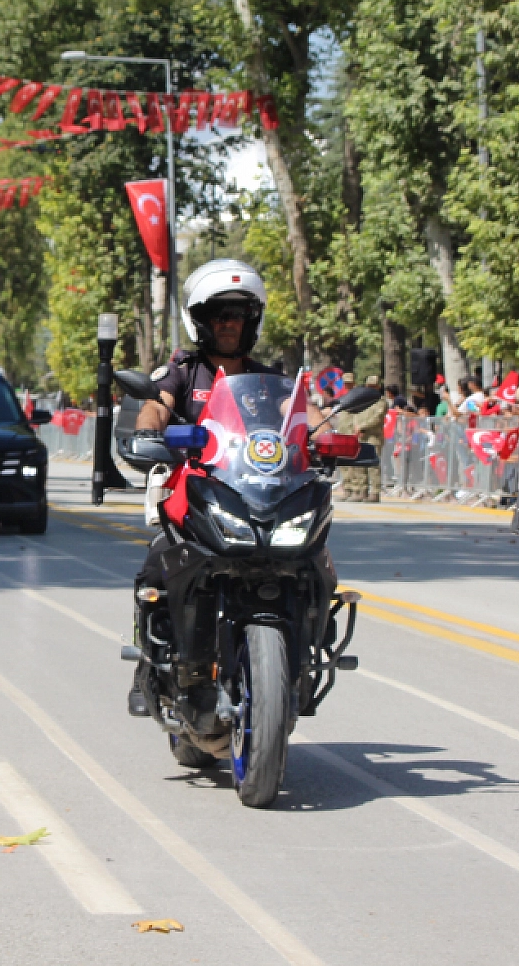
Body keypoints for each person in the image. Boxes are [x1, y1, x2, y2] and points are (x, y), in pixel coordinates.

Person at [126, 259, 318, 717]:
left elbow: (297, 426)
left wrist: (326, 441)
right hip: (198, 492)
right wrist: (153, 430)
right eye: (219, 315)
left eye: (237, 315)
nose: (229, 323)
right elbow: (156, 407)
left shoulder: (271, 381)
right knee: (157, 565)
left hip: (260, 493)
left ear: (251, 321)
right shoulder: (182, 371)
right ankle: (148, 666)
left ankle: (307, 656)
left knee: (318, 562)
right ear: (202, 321)